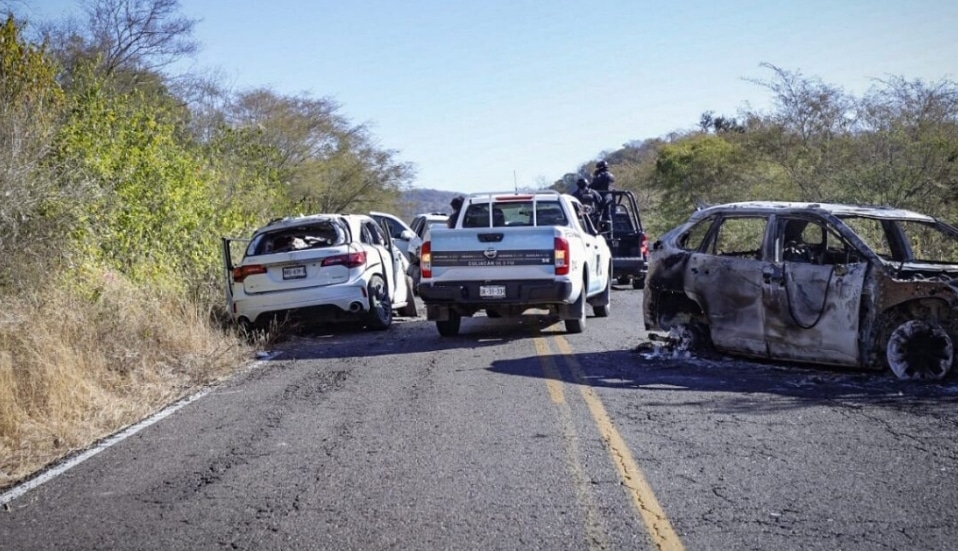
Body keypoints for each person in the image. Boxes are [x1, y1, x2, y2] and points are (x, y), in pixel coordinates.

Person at [591, 160, 615, 225]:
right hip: (610, 197)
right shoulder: (611, 175)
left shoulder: (601, 175)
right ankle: (610, 232)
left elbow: (594, 185)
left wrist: (587, 187)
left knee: (597, 214)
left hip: (602, 197)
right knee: (607, 215)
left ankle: (597, 229)